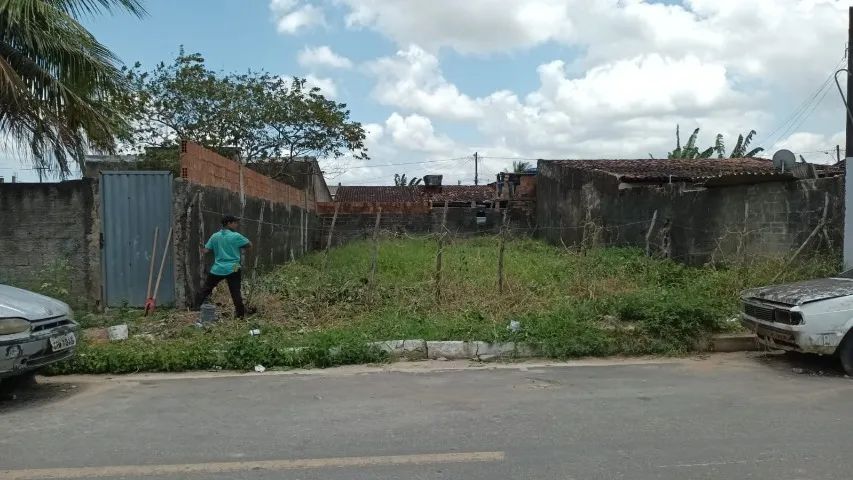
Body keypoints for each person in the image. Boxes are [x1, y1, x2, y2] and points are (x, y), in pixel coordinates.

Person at [197, 215, 252, 318]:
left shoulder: (215, 236)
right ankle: (240, 315)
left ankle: (195, 307)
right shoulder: (236, 236)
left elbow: (206, 250)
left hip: (218, 268)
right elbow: (249, 244)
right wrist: (239, 245)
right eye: (235, 222)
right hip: (234, 267)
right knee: (235, 291)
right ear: (229, 224)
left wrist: (201, 247)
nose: (237, 224)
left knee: (206, 288)